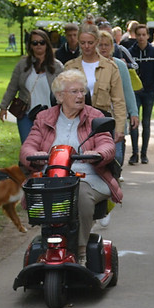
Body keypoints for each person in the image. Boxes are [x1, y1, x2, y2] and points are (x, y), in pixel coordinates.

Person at [20, 70, 122, 264]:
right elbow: (28, 146)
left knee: (80, 194)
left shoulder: (94, 116)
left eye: (82, 91)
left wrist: (98, 154)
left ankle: (81, 250)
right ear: (60, 96)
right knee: (40, 193)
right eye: (74, 91)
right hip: (52, 176)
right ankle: (50, 244)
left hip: (88, 176)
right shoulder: (44, 117)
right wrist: (35, 155)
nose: (80, 96)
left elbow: (107, 144)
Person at [0, 29, 64, 142]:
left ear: (47, 44)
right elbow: (12, 86)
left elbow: (65, 90)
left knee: (49, 146)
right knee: (28, 147)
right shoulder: (22, 65)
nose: (38, 45)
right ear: (30, 46)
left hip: (51, 115)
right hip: (26, 114)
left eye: (42, 42)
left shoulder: (57, 66)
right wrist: (3, 106)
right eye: (35, 43)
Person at [63, 25, 127, 138]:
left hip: (102, 121)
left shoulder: (110, 67)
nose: (86, 46)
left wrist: (120, 128)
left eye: (90, 43)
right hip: (75, 122)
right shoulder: (70, 67)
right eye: (82, 43)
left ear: (97, 42)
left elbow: (118, 100)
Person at [96, 31, 138, 182]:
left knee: (117, 153)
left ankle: (115, 174)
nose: (103, 48)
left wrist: (134, 112)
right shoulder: (93, 66)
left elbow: (128, 90)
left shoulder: (119, 65)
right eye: (100, 45)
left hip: (116, 114)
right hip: (99, 115)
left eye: (106, 45)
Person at [128, 23, 154, 165]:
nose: (142, 37)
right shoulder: (130, 52)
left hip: (149, 91)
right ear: (135, 36)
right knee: (134, 122)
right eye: (139, 35)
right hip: (134, 92)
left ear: (148, 36)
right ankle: (134, 153)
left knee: (146, 122)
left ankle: (144, 153)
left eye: (144, 35)